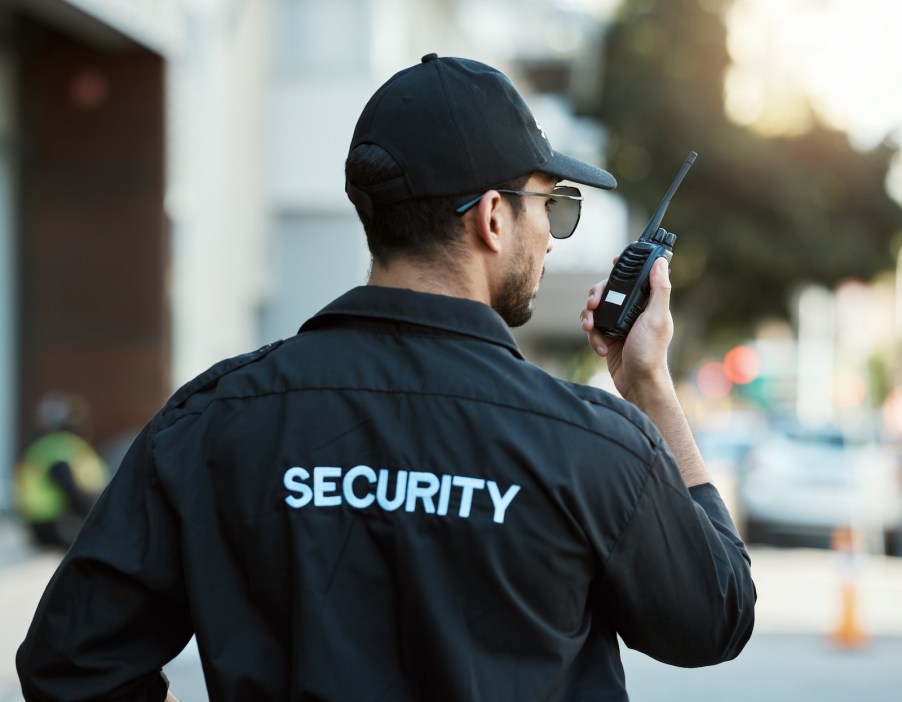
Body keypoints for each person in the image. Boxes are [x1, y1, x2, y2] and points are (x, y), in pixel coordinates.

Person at [17, 53, 755, 701]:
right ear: (494, 219)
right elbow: (715, 618)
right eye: (550, 207)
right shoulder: (593, 446)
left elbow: (71, 667)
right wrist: (651, 388)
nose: (549, 239)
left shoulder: (213, 421)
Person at [13, 391, 109, 549]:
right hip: (57, 523)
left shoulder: (44, 446)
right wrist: (97, 519)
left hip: (41, 525)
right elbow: (70, 489)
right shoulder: (61, 448)